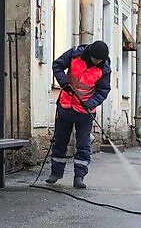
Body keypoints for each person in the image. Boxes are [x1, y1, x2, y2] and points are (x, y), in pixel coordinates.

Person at [45, 41, 112, 189]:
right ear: (90, 54)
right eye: (95, 59)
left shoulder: (104, 69)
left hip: (85, 112)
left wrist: (92, 103)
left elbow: (103, 90)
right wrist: (64, 83)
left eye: (99, 60)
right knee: (60, 141)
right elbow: (57, 65)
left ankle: (79, 177)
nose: (96, 62)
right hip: (65, 105)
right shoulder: (75, 55)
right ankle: (55, 173)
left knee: (83, 145)